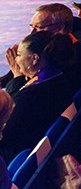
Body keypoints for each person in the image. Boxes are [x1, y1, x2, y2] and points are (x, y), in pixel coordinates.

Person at [0, 31, 76, 160]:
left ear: (35, 59)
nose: (16, 60)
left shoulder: (31, 95)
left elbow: (6, 129)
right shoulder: (57, 76)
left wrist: (17, 78)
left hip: (14, 154)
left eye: (19, 55)